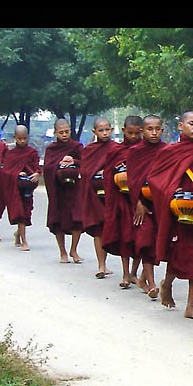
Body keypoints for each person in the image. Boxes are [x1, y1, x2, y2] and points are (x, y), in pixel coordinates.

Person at [146, 111, 193, 319]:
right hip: (175, 210)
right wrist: (171, 192)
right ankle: (168, 283)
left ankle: (190, 306)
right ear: (180, 125)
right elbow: (155, 178)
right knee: (178, 253)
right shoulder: (170, 152)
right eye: (191, 123)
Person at [126, 114, 167, 298]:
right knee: (144, 240)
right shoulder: (135, 151)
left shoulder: (167, 150)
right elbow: (133, 179)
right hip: (142, 204)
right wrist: (139, 202)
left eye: (157, 129)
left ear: (162, 130)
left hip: (161, 203)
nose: (154, 133)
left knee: (156, 243)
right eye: (150, 129)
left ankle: (143, 278)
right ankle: (150, 283)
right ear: (142, 131)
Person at [77, 117, 123, 279]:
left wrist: (108, 172)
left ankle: (126, 272)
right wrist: (96, 173)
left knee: (114, 229)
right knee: (98, 230)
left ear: (111, 130)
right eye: (100, 130)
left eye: (107, 130)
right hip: (95, 196)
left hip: (113, 196)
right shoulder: (90, 150)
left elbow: (123, 168)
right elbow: (85, 171)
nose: (104, 133)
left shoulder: (117, 148)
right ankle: (101, 265)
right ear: (94, 132)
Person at [102, 115, 144, 288]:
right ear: (124, 130)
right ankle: (126, 274)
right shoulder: (116, 151)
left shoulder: (145, 150)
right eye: (130, 133)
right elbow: (107, 174)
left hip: (142, 201)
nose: (133, 137)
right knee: (125, 237)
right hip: (121, 199)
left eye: (136, 133)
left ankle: (135, 272)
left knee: (141, 237)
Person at [43, 118, 85, 263]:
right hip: (58, 191)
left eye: (67, 131)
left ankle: (74, 250)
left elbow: (85, 162)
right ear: (55, 133)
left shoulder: (77, 146)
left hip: (74, 189)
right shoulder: (51, 149)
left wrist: (74, 161)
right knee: (58, 221)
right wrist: (59, 163)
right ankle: (63, 252)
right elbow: (47, 168)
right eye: (61, 132)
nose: (64, 135)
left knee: (77, 220)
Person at [2, 125, 42, 251]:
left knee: (26, 212)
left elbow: (36, 167)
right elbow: (6, 171)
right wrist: (17, 173)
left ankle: (18, 234)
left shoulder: (32, 152)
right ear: (15, 138)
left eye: (25, 138)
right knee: (20, 213)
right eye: (20, 139)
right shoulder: (11, 154)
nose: (22, 141)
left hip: (28, 187)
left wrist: (37, 174)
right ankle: (24, 242)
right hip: (15, 187)